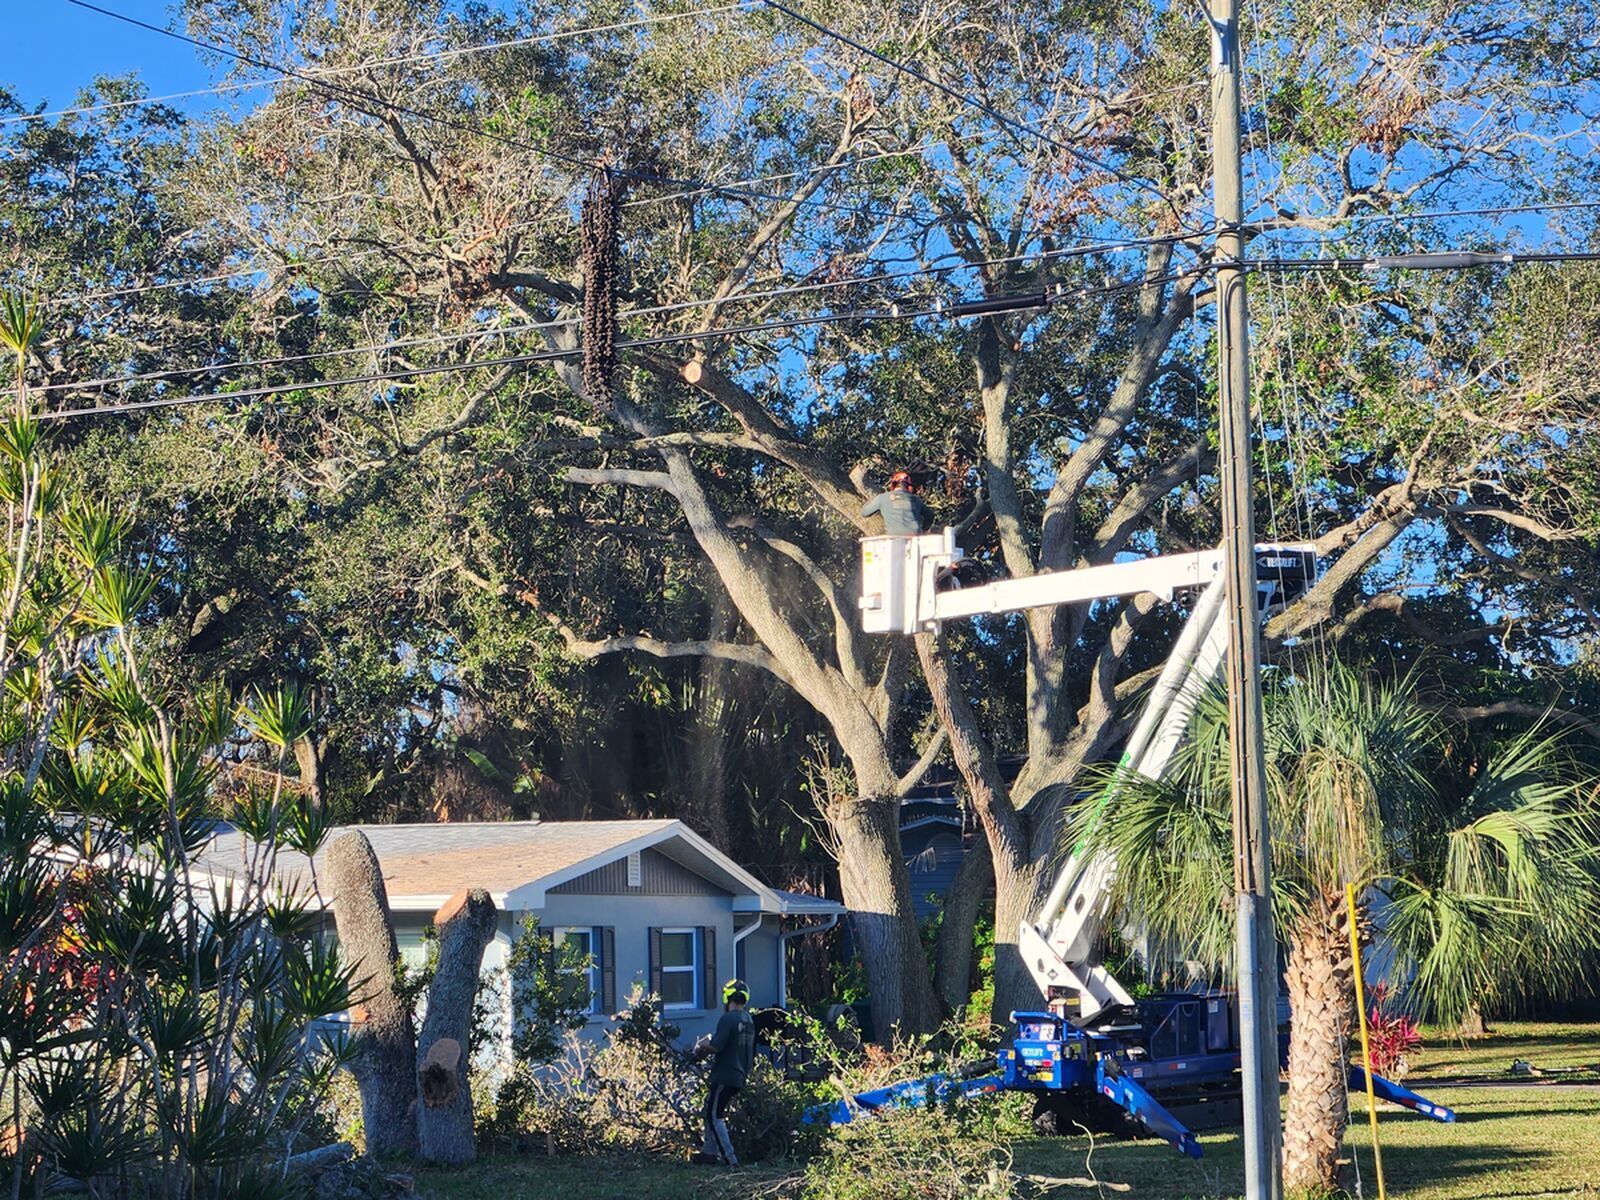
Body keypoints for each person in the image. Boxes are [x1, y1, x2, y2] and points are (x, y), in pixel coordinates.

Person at [692, 979, 756, 1166]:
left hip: (725, 1074)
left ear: (727, 997)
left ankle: (729, 1158)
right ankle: (708, 1154)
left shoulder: (728, 1018)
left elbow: (717, 1045)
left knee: (714, 1115)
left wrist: (702, 1046)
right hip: (739, 1075)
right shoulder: (748, 1019)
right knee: (710, 1109)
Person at [860, 470, 929, 536]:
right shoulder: (916, 500)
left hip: (895, 536)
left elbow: (865, 513)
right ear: (909, 487)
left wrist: (873, 500)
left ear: (893, 485)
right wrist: (924, 529)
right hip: (915, 536)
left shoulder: (882, 498)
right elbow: (930, 515)